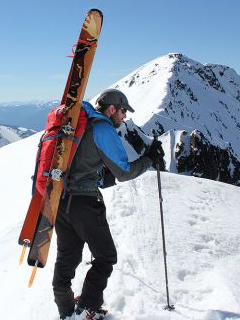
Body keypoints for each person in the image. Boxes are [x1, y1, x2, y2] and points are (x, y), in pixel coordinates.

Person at [53, 88, 164, 319]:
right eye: (123, 111)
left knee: (67, 257)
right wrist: (149, 159)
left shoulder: (82, 126)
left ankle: (66, 310)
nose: (124, 117)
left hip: (62, 202)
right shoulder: (102, 127)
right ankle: (88, 309)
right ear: (112, 108)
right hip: (84, 204)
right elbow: (124, 172)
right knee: (105, 256)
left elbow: (91, 170)